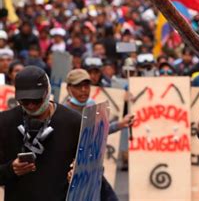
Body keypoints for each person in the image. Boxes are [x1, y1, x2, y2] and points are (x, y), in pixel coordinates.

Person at [0, 66, 81, 200]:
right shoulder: (4, 122)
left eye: (37, 100)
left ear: (47, 91)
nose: (31, 106)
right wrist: (11, 169)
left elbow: (94, 167)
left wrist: (79, 173)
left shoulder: (73, 122)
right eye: (24, 101)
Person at [63, 68, 134, 201]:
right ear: (69, 88)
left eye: (86, 85)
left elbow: (99, 130)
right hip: (72, 173)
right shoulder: (63, 113)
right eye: (78, 86)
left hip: (92, 169)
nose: (83, 90)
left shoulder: (92, 107)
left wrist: (121, 124)